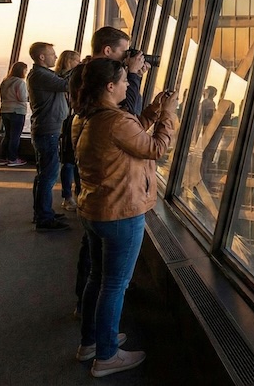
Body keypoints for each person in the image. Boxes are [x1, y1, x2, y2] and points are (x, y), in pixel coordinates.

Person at [72, 58, 176, 377]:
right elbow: (156, 148)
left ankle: (91, 341)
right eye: (124, 80)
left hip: (97, 209)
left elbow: (129, 136)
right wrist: (169, 114)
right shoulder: (115, 121)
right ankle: (106, 356)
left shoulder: (89, 117)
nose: (128, 84)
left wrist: (152, 112)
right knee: (115, 285)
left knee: (97, 279)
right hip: (120, 212)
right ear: (110, 87)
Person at [68, 27, 148, 316]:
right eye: (122, 53)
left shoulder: (84, 82)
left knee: (96, 270)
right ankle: (104, 348)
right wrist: (135, 75)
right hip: (113, 199)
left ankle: (88, 321)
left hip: (93, 186)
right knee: (109, 281)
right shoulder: (103, 96)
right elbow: (130, 115)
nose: (126, 60)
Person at [26, 42, 70, 232]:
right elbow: (67, 85)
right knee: (49, 176)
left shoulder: (42, 75)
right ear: (42, 57)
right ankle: (44, 217)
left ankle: (42, 212)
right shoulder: (41, 75)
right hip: (48, 130)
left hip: (46, 129)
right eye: (52, 54)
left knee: (44, 174)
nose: (55, 57)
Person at [55, 50, 82, 211]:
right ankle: (71, 196)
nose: (79, 64)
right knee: (71, 162)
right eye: (77, 61)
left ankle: (70, 196)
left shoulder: (57, 77)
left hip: (66, 121)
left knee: (69, 162)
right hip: (69, 121)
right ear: (69, 61)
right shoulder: (67, 80)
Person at [0, 62, 29, 167]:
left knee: (7, 135)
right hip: (17, 111)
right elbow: (22, 98)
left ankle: (3, 157)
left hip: (5, 110)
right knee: (15, 136)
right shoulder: (20, 82)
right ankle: (12, 158)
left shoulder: (5, 81)